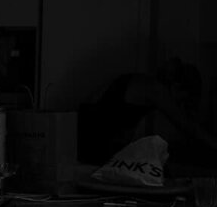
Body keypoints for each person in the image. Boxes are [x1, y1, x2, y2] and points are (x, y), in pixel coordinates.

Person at [80, 59, 217, 165]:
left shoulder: (144, 85)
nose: (179, 104)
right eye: (181, 99)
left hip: (90, 134)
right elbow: (185, 124)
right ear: (177, 86)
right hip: (92, 137)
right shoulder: (154, 88)